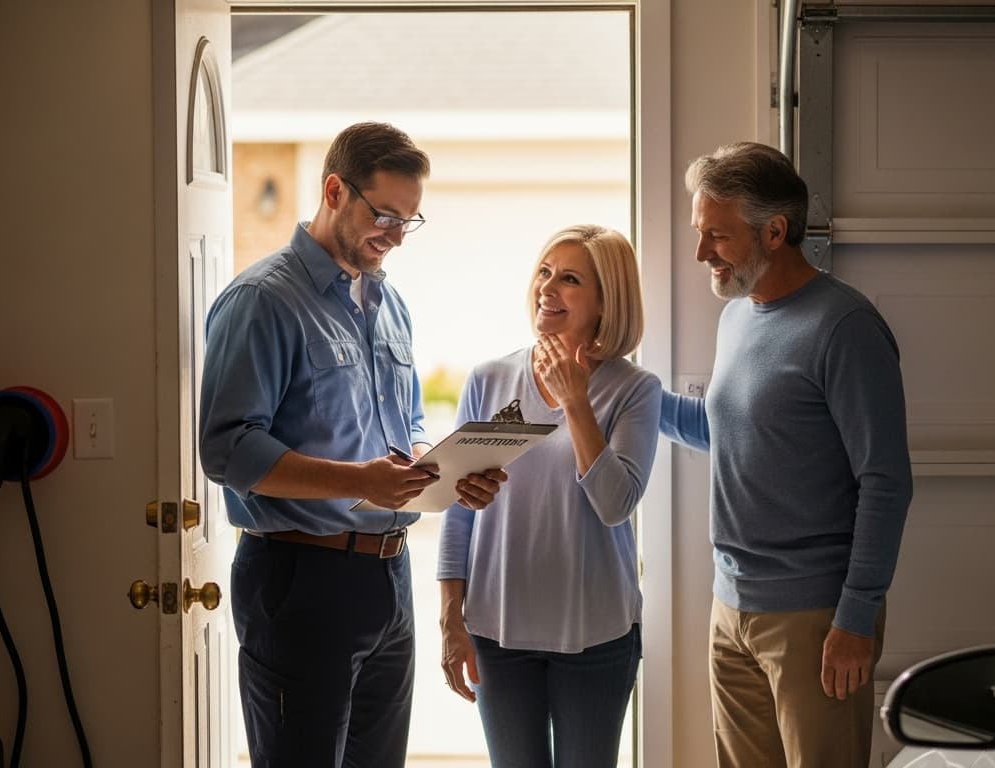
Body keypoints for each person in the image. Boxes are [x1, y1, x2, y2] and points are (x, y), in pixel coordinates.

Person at [199, 122, 506, 767]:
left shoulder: (389, 302)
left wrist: (444, 473)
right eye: (385, 215)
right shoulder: (263, 300)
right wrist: (357, 481)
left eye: (409, 222)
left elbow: (409, 424)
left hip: (390, 578)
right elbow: (227, 450)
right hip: (298, 578)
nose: (395, 237)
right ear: (334, 190)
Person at [659, 141, 913, 767]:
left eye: (715, 236)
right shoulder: (739, 316)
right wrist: (625, 392)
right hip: (731, 608)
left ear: (774, 231)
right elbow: (731, 431)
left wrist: (855, 620)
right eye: (700, 233)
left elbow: (886, 482)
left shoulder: (844, 327)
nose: (700, 254)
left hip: (814, 618)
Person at [437, 225, 660, 767]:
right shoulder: (489, 379)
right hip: (498, 631)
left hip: (595, 635)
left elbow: (615, 503)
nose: (548, 287)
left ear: (607, 301)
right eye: (544, 272)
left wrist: (576, 403)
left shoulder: (635, 391)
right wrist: (450, 618)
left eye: (570, 279)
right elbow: (460, 511)